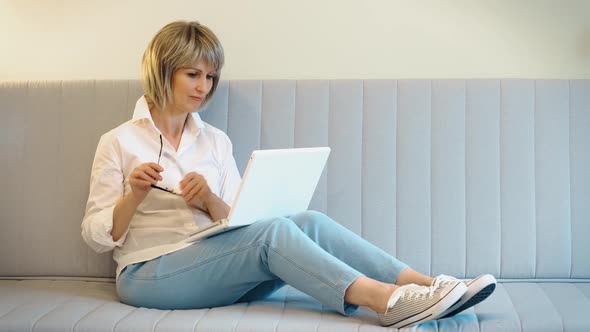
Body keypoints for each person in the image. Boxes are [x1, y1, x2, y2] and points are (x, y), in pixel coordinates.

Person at [81, 20, 496, 328]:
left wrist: (207, 199)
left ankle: (430, 286)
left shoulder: (215, 142)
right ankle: (388, 302)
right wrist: (133, 195)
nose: (204, 87)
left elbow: (236, 220)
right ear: (163, 70)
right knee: (273, 234)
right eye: (193, 74)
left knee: (306, 222)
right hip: (147, 275)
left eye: (210, 77)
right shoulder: (118, 141)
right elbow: (96, 235)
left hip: (211, 264)